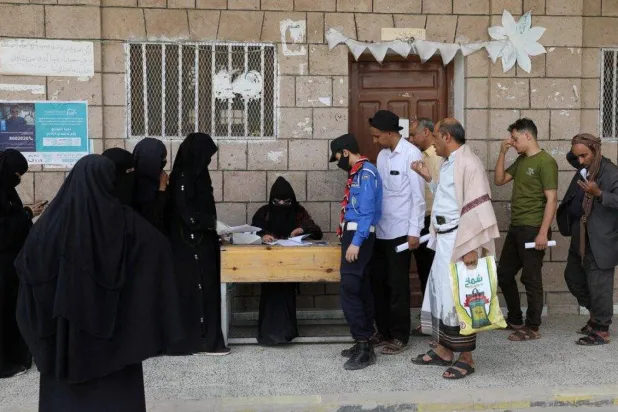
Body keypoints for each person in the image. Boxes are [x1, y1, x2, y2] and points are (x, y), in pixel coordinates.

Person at [14, 155, 183, 411]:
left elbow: (26, 267)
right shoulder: (125, 223)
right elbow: (158, 247)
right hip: (115, 343)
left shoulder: (48, 227)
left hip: (64, 344)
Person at [411, 118, 499, 380]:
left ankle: (466, 359)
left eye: (436, 137)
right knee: (441, 295)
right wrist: (429, 179)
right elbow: (448, 199)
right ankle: (443, 350)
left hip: (461, 242)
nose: (432, 142)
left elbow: (477, 208)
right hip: (445, 240)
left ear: (447, 137)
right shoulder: (450, 162)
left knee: (461, 299)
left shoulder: (468, 163)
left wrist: (471, 247)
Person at [165, 133, 230, 356]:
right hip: (189, 245)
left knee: (208, 290)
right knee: (196, 291)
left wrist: (214, 228)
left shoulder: (198, 175)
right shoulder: (183, 178)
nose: (209, 161)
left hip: (203, 242)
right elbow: (187, 214)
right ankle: (200, 340)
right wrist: (212, 223)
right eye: (206, 155)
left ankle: (208, 338)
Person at [494, 118, 558, 341]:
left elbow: (552, 200)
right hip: (517, 227)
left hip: (534, 228)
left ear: (527, 136)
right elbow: (500, 179)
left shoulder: (546, 162)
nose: (512, 142)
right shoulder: (521, 160)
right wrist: (502, 153)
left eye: (515, 138)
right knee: (504, 274)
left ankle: (533, 327)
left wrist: (543, 232)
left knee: (531, 278)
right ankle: (515, 319)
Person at [368, 110, 425, 355]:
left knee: (398, 284)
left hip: (402, 231)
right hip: (381, 229)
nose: (375, 140)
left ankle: (400, 335)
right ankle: (383, 330)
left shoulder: (412, 154)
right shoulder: (381, 156)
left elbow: (418, 197)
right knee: (378, 283)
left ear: (391, 133)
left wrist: (414, 231)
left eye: (377, 136)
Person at [557, 134, 618, 346]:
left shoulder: (610, 172)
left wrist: (599, 193)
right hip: (580, 235)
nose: (580, 161)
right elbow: (572, 156)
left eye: (584, 155)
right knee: (573, 276)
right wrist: (577, 147)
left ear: (596, 151)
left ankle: (601, 329)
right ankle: (595, 314)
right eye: (578, 156)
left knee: (599, 284)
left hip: (600, 238)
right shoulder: (584, 166)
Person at [330, 133, 383, 370]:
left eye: (338, 156)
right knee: (360, 287)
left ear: (345, 151)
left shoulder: (366, 172)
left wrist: (356, 241)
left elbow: (368, 210)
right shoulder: (359, 173)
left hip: (359, 236)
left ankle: (364, 345)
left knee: (350, 288)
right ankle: (363, 339)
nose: (338, 161)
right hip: (353, 234)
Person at [251, 177, 323, 345]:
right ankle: (268, 333)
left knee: (286, 295)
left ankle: (287, 332)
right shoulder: (264, 212)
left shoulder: (299, 212)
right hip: (269, 263)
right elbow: (253, 229)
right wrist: (263, 236)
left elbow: (316, 231)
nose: (282, 204)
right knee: (270, 296)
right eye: (278, 201)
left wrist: (302, 229)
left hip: (292, 263)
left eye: (286, 201)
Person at [0, 149, 45, 379]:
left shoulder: (6, 191)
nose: (19, 179)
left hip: (10, 265)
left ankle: (15, 357)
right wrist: (26, 213)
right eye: (17, 173)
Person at [409, 118, 443, 337]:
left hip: (434, 221)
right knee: (424, 273)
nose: (411, 139)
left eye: (414, 134)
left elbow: (441, 190)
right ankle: (428, 321)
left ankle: (439, 324)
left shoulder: (439, 158)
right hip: (420, 219)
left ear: (428, 132)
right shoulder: (419, 156)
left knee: (434, 273)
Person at [132, 138, 169, 233]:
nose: (165, 161)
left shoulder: (131, 180)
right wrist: (162, 189)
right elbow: (154, 219)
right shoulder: (156, 186)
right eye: (162, 158)